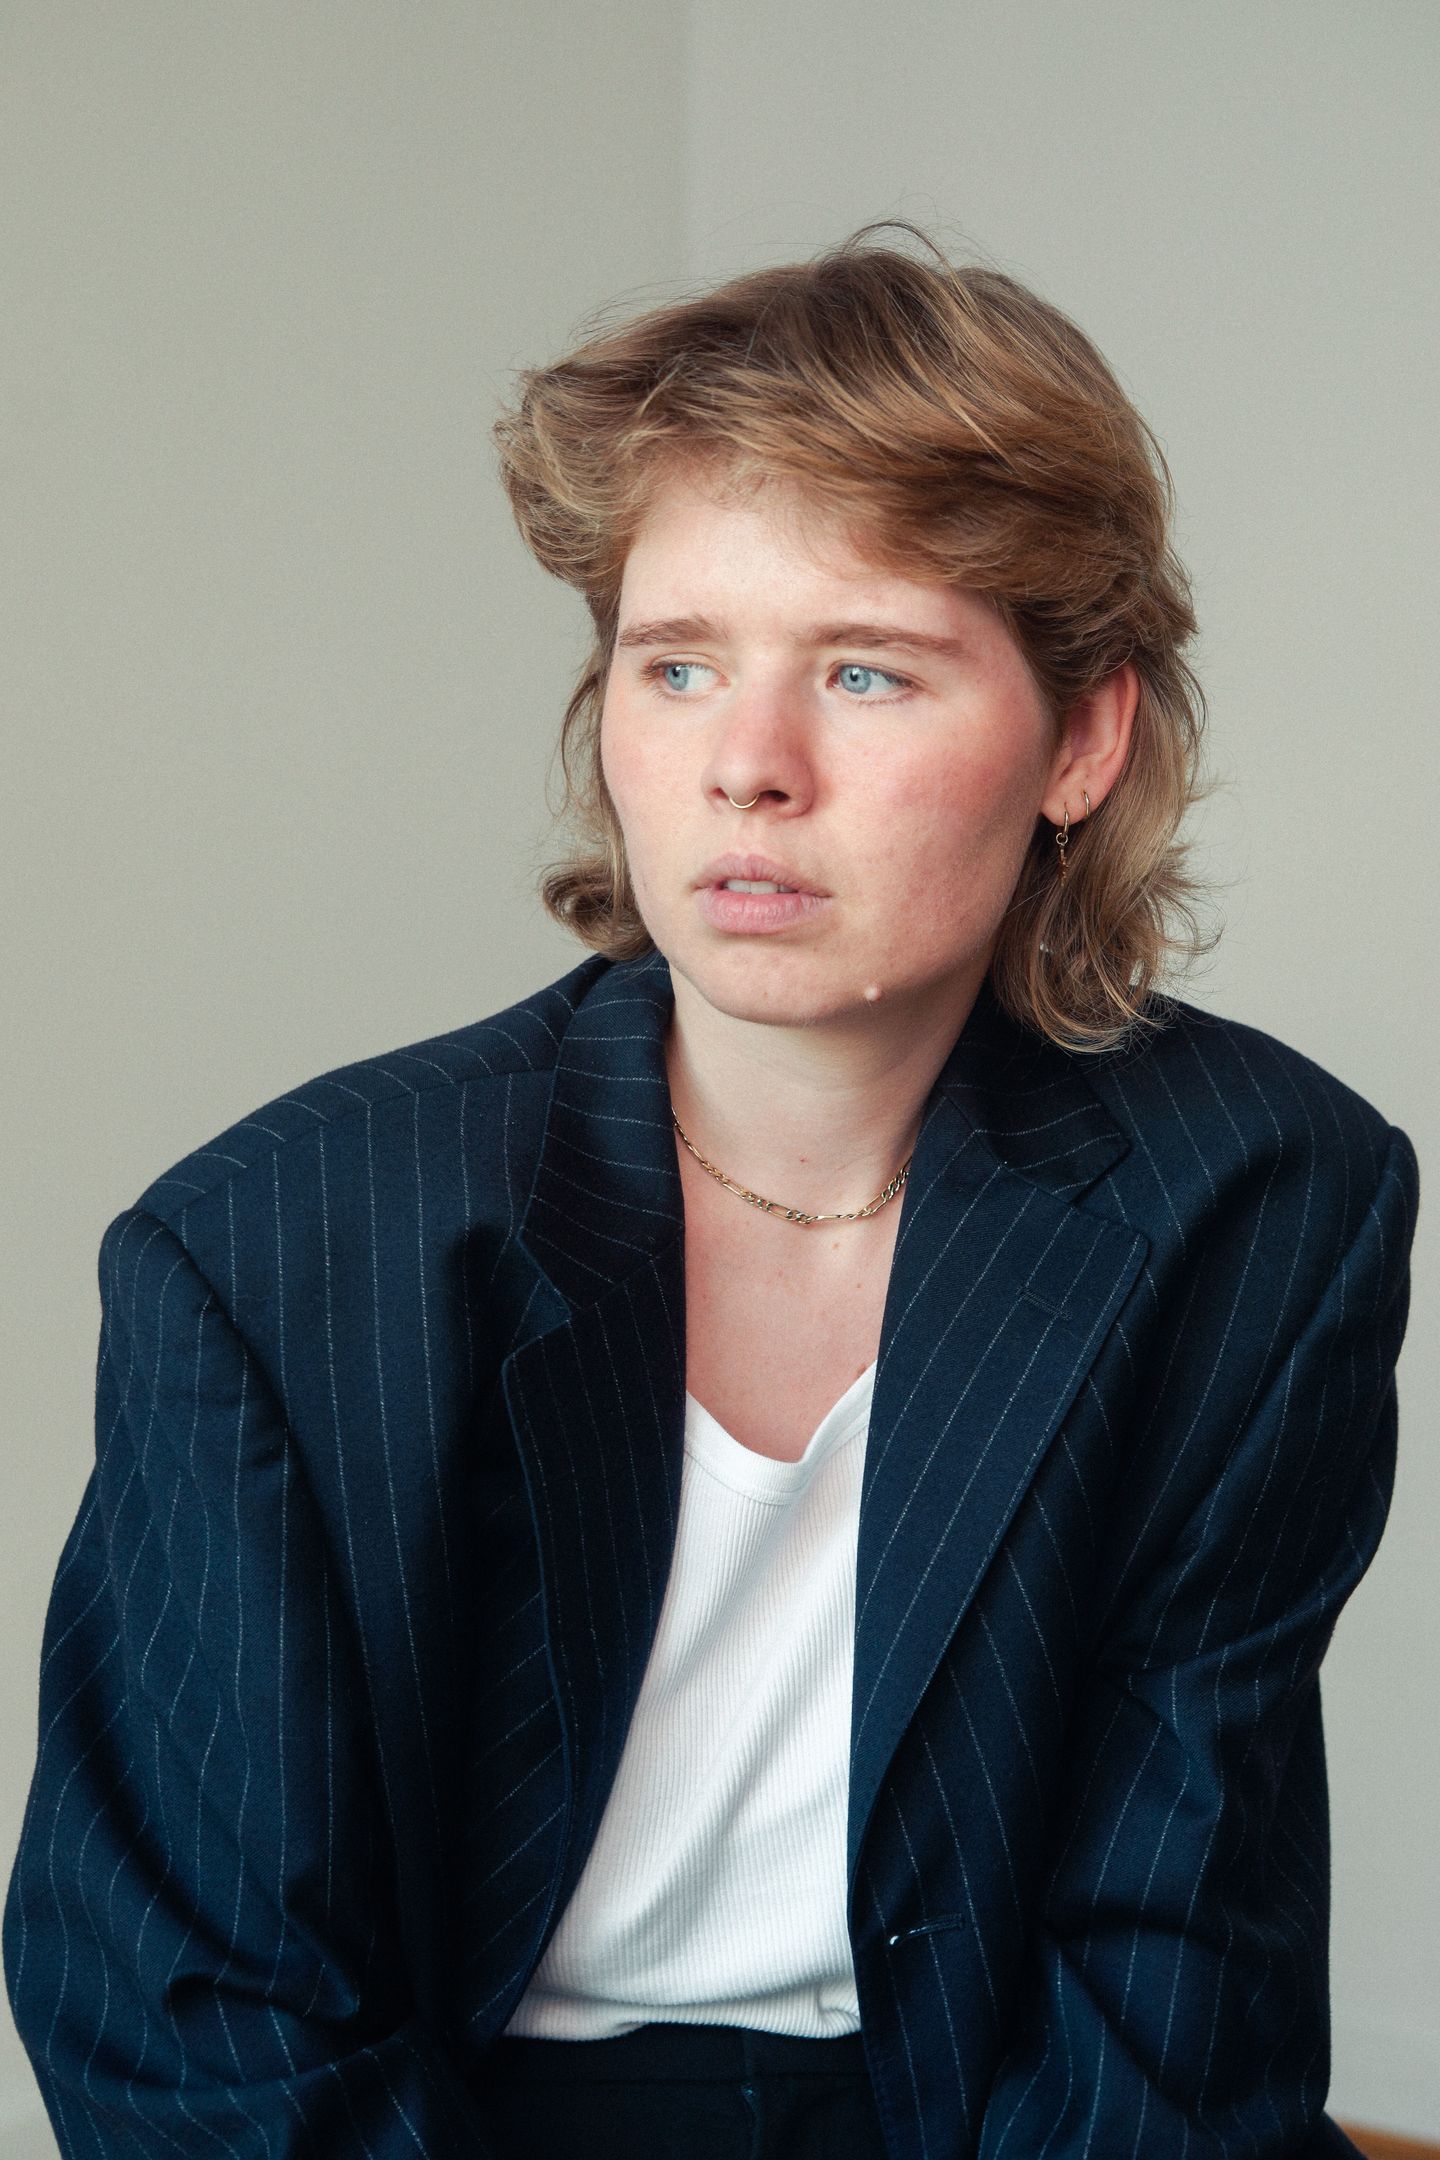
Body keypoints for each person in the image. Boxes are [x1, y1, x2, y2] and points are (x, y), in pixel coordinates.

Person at [4, 224, 1419, 2159]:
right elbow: (199, 2015)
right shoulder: (276, 1246)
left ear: (1084, 737)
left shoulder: (1257, 1196)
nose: (748, 767)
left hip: (970, 2114)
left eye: (866, 670)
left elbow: (1169, 1974)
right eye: (676, 665)